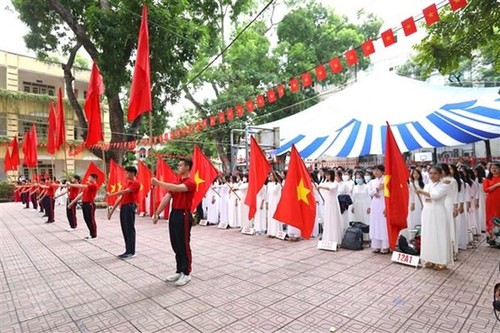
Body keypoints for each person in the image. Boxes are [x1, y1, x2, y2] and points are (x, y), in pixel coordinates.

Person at [151, 158, 196, 287]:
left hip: (184, 214)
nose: (178, 167)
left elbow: (176, 188)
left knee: (184, 244)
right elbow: (167, 197)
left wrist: (158, 182)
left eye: (181, 165)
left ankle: (186, 273)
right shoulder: (177, 181)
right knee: (175, 243)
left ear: (187, 167)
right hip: (174, 214)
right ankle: (179, 270)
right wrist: (156, 213)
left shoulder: (190, 182)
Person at [416, 166, 452, 270]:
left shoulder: (444, 186)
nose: (432, 175)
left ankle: (441, 261)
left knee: (439, 235)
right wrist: (421, 193)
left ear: (440, 174)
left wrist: (421, 191)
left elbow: (435, 196)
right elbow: (425, 198)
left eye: (435, 173)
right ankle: (430, 258)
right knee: (428, 235)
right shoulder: (427, 185)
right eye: (430, 173)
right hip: (427, 211)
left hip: (438, 211)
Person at [106, 166, 141, 259]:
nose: (126, 174)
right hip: (124, 207)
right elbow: (120, 197)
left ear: (133, 173)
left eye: (128, 173)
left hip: (129, 207)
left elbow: (125, 192)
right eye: (125, 173)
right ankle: (127, 250)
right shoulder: (127, 183)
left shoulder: (135, 183)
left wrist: (111, 195)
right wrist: (112, 211)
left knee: (129, 229)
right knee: (125, 229)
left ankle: (131, 251)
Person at [68, 173, 99, 240]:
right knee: (86, 219)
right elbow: (81, 194)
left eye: (89, 177)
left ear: (94, 179)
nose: (88, 178)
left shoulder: (94, 185)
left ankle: (94, 235)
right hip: (84, 204)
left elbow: (81, 186)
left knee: (90, 219)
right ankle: (91, 233)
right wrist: (72, 203)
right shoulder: (87, 186)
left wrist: (70, 184)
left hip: (90, 204)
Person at [317, 170, 342, 246]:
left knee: (333, 219)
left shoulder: (335, 183)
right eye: (326, 175)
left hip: (333, 202)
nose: (327, 176)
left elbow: (330, 188)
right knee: (327, 219)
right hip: (327, 202)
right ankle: (327, 238)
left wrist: (321, 186)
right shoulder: (325, 183)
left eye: (328, 175)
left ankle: (335, 240)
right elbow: (323, 192)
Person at [369, 165, 389, 254]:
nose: (375, 172)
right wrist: (377, 189)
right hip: (375, 204)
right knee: (375, 223)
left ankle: (385, 246)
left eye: (377, 170)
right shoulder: (372, 181)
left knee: (383, 224)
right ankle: (376, 245)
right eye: (374, 171)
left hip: (384, 203)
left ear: (382, 171)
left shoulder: (386, 180)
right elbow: (369, 193)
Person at [483, 163, 500, 240]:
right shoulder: (487, 179)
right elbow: (486, 190)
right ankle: (492, 239)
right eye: (492, 168)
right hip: (491, 201)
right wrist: (496, 185)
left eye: (496, 168)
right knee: (491, 217)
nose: (493, 169)